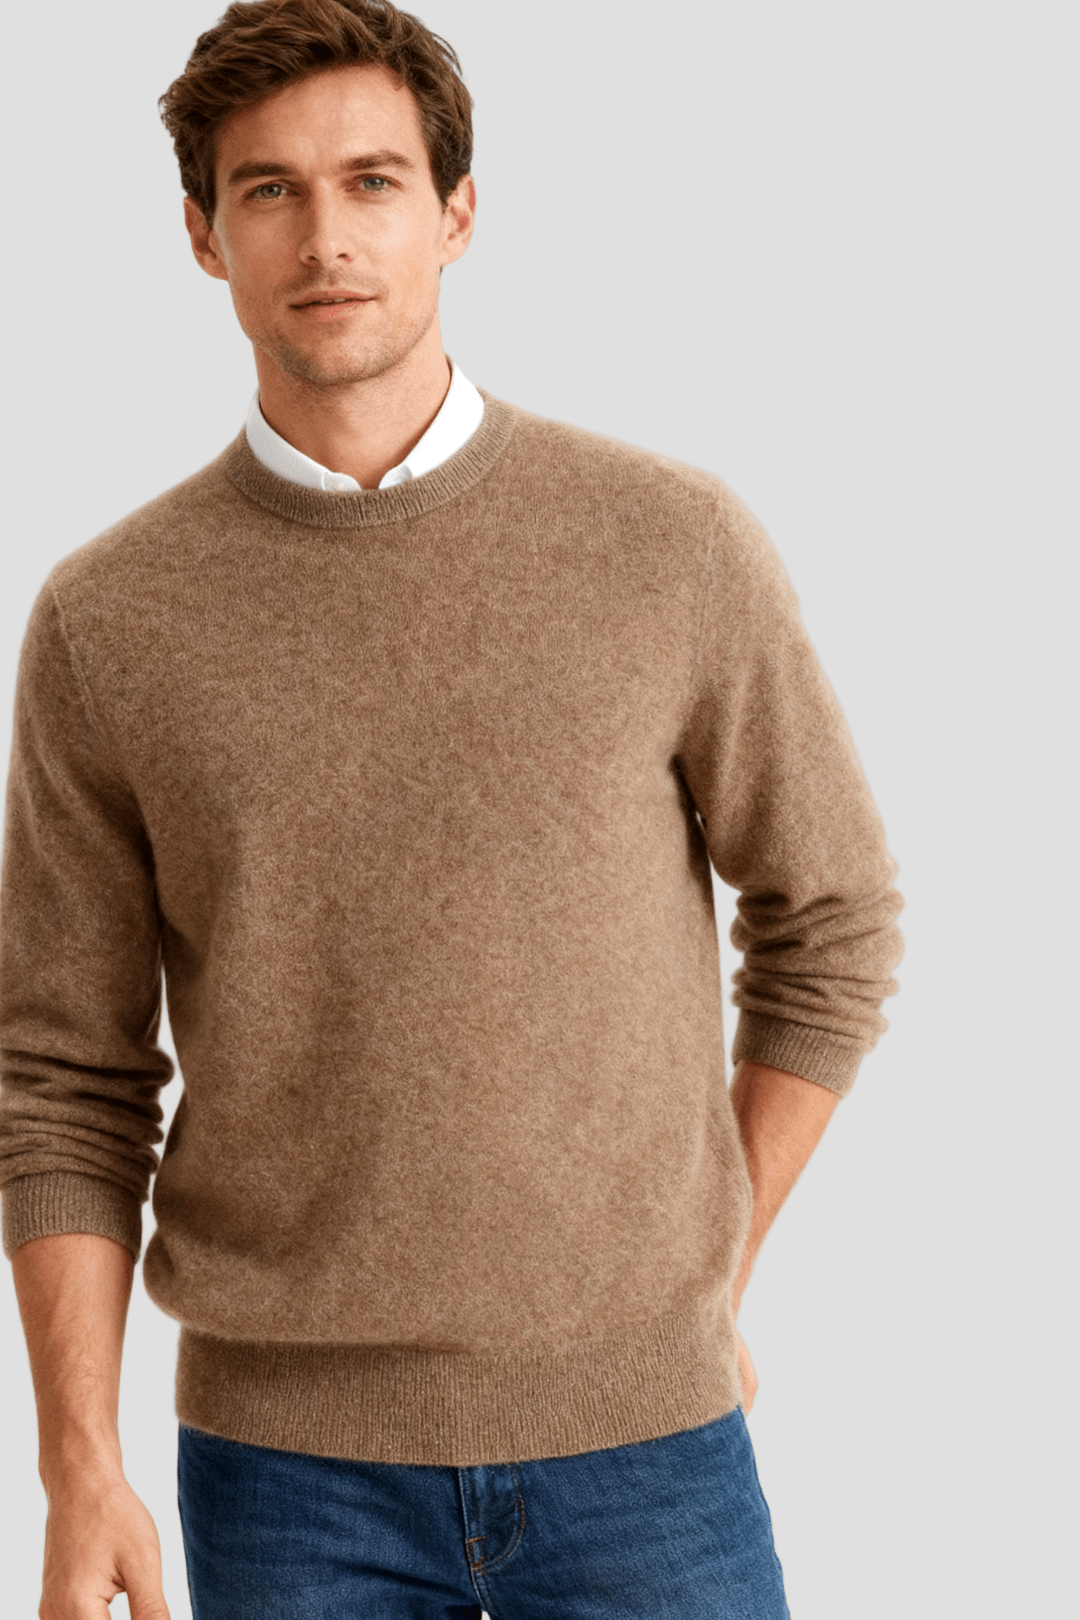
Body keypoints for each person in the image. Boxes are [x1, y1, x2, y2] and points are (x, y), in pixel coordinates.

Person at [0, 1, 903, 1615]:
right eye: (269, 191)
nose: (326, 238)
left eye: (374, 181)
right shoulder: (108, 620)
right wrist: (81, 1467)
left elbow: (832, 920)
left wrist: (709, 1269)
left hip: (652, 1449)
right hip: (283, 1481)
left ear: (458, 213)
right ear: (203, 236)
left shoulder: (669, 545)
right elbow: (63, 1073)